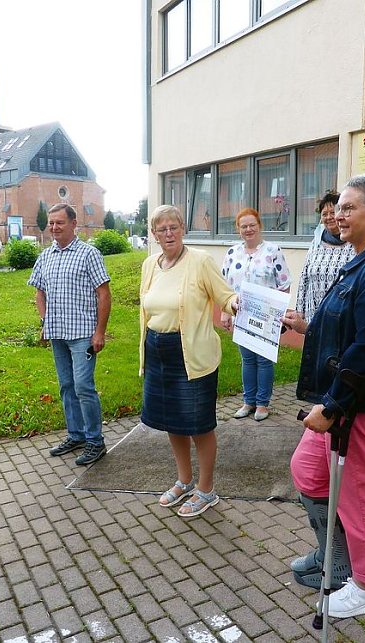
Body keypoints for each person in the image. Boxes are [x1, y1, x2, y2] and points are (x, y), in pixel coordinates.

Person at [281, 174, 365, 619]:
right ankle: (335, 556)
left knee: (360, 498)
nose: (338, 214)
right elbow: (344, 329)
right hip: (339, 402)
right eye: (338, 207)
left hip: (363, 407)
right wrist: (304, 326)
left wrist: (334, 406)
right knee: (308, 472)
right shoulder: (358, 259)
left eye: (349, 208)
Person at [139, 205, 238, 518]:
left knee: (198, 424)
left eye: (174, 227)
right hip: (158, 351)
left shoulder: (200, 261)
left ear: (183, 229)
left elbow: (227, 296)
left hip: (191, 353)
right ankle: (184, 480)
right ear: (154, 234)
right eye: (162, 229)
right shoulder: (149, 264)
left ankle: (206, 490)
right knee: (172, 422)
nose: (169, 233)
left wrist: (237, 305)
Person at [29, 203, 112, 466]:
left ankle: (95, 442)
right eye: (51, 223)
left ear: (73, 224)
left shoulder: (89, 254)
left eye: (59, 222)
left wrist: (100, 332)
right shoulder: (45, 256)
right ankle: (75, 435)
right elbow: (39, 292)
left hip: (83, 335)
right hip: (57, 334)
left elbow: (104, 294)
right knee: (66, 386)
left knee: (83, 387)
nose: (54, 227)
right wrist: (44, 321)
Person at [220, 208, 291, 421]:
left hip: (267, 317)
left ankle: (262, 404)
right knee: (248, 359)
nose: (248, 229)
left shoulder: (272, 250)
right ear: (238, 229)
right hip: (241, 315)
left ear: (259, 225)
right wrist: (225, 313)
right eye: (244, 226)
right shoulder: (233, 253)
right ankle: (248, 401)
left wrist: (279, 312)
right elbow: (224, 286)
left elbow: (285, 284)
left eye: (252, 225)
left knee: (264, 360)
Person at [295, 190, 356, 323]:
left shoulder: (353, 243)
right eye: (324, 214)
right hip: (314, 313)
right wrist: (299, 311)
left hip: (341, 316)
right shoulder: (317, 242)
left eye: (332, 212)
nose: (328, 217)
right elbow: (304, 276)